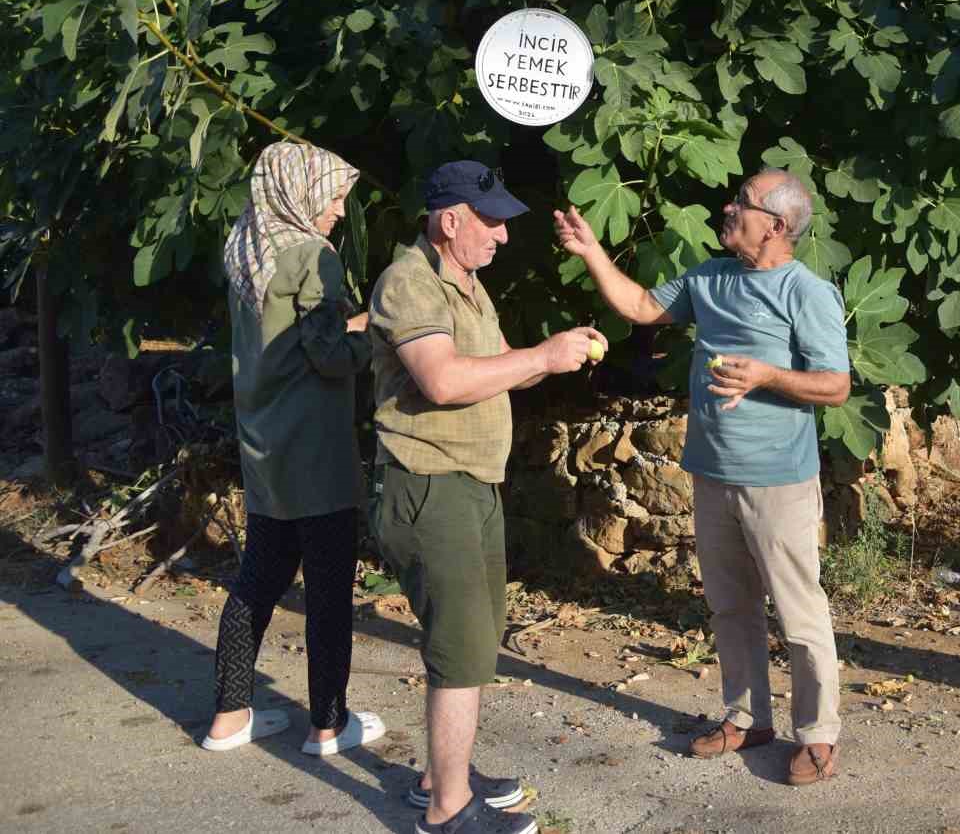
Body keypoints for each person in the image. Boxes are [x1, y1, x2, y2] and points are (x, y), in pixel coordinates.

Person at [554, 169, 851, 787]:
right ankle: (748, 717)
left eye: (741, 202)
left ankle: (818, 735)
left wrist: (766, 376)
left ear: (775, 225)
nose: (727, 207)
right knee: (730, 607)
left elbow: (836, 386)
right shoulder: (709, 277)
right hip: (711, 473)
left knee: (799, 613)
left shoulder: (807, 292)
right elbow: (640, 307)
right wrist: (592, 254)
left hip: (778, 480)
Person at [369, 161, 607, 834]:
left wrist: (558, 351)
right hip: (429, 483)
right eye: (492, 221)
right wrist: (542, 356)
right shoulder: (409, 284)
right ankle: (447, 812)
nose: (502, 236)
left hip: (473, 483)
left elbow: (500, 364)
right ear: (450, 221)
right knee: (461, 647)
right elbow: (442, 380)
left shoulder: (467, 284)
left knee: (470, 642)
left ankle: (437, 778)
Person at [204, 141, 386, 757]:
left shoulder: (247, 245)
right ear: (301, 192)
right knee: (330, 587)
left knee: (261, 573)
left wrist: (343, 329)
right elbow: (329, 356)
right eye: (333, 196)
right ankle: (329, 726)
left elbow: (285, 340)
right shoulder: (313, 253)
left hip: (263, 440)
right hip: (314, 445)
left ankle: (229, 715)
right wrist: (376, 339)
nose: (337, 210)